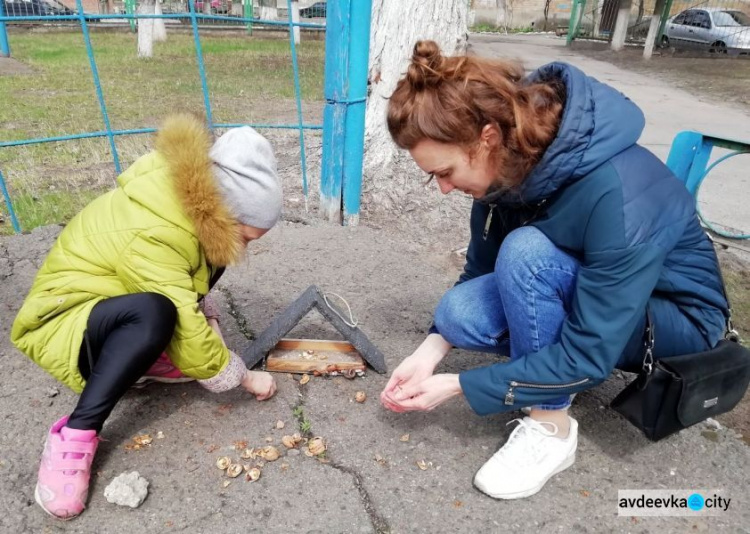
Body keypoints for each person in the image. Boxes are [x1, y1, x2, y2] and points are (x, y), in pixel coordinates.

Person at [380, 41, 728, 500]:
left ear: (486, 137)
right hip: (597, 289)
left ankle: (551, 428)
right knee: (460, 313)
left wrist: (461, 384)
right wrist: (429, 352)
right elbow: (479, 272)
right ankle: (541, 371)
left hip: (677, 319)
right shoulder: (504, 170)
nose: (444, 188)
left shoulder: (621, 192)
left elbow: (588, 356)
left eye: (444, 171)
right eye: (433, 177)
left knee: (527, 254)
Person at [11, 113, 282, 519]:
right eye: (245, 233)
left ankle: (143, 360)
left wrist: (208, 327)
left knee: (208, 268)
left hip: (104, 308)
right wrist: (240, 375)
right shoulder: (155, 227)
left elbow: (189, 289)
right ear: (220, 207)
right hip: (62, 322)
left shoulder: (192, 214)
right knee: (154, 313)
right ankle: (76, 434)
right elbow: (179, 311)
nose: (247, 245)